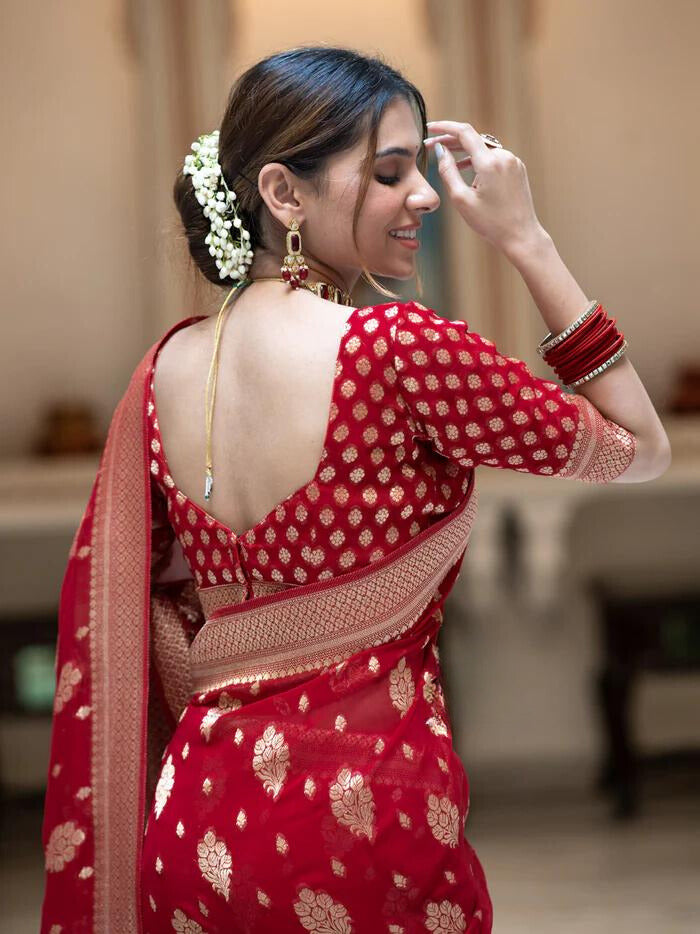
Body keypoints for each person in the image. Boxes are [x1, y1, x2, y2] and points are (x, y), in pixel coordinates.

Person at [39, 46, 670, 934]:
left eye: (419, 169)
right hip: (365, 820)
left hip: (196, 825)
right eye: (389, 172)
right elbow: (639, 449)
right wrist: (528, 240)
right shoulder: (400, 349)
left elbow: (163, 614)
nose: (426, 197)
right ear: (283, 193)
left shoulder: (163, 370)